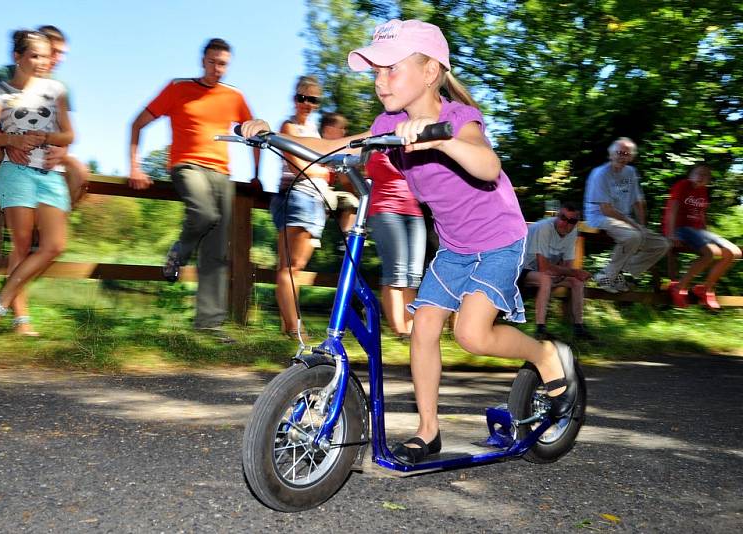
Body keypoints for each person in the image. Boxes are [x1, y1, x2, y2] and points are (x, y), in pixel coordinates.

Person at [240, 19, 579, 465]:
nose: (380, 82)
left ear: (430, 71)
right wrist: (272, 135)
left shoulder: (458, 119)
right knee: (422, 330)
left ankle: (545, 354)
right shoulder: (389, 124)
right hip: (455, 247)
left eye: (391, 70)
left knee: (472, 334)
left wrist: (440, 141)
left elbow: (487, 164)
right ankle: (427, 431)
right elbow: (337, 146)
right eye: (376, 73)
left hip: (498, 240)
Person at [127, 38, 259, 333]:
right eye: (212, 62)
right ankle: (179, 251)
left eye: (222, 63)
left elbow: (255, 133)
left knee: (217, 251)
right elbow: (137, 123)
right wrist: (134, 166)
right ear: (202, 61)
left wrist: (257, 172)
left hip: (222, 174)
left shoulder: (234, 96)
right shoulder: (177, 88)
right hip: (186, 166)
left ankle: (209, 324)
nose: (216, 68)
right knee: (203, 214)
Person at [0, 30, 74, 335]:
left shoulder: (57, 90)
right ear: (18, 57)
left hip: (50, 175)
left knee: (55, 245)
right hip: (16, 172)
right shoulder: (1, 89)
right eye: (35, 55)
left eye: (46, 56)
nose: (43, 62)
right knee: (21, 244)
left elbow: (69, 135)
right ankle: (21, 320)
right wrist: (10, 139)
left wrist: (47, 137)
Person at [0, 25, 87, 257]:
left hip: (43, 150)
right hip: (4, 145)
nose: (57, 59)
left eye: (62, 54)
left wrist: (62, 151)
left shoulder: (60, 88)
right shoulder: (3, 75)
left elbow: (66, 131)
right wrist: (11, 142)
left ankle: (43, 228)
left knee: (78, 171)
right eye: (54, 52)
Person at [270, 76, 329, 339]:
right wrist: (321, 171)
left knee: (294, 267)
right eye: (302, 97)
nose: (306, 103)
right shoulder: (289, 126)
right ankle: (295, 329)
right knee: (291, 267)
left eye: (312, 99)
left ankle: (288, 326)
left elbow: (322, 170)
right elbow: (299, 166)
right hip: (297, 198)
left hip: (312, 200)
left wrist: (320, 172)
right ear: (294, 99)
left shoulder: (314, 132)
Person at [583, 137, 670, 293]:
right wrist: (634, 226)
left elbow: (638, 201)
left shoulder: (631, 172)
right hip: (600, 217)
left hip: (622, 218)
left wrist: (642, 226)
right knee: (633, 236)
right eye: (619, 152)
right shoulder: (600, 174)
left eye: (626, 154)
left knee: (661, 244)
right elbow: (606, 209)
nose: (622, 156)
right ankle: (606, 276)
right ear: (611, 154)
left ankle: (616, 272)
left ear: (631, 157)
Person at [365, 151, 426, 340]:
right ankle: (399, 330)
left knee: (413, 276)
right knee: (396, 273)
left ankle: (411, 330)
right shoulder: (374, 149)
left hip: (414, 213)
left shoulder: (412, 150)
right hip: (386, 210)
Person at [663, 164, 741, 309]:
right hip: (680, 229)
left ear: (708, 180)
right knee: (711, 253)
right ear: (690, 175)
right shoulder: (682, 185)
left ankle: (705, 288)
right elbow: (671, 210)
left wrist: (707, 233)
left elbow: (701, 215)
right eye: (698, 173)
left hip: (698, 231)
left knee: (734, 252)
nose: (701, 177)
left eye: (705, 175)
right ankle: (679, 287)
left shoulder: (703, 191)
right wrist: (671, 234)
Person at [519, 202, 594, 340]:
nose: (564, 223)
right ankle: (540, 329)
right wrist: (570, 272)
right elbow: (543, 267)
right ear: (557, 215)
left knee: (577, 281)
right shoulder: (544, 228)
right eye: (562, 217)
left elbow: (567, 266)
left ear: (576, 222)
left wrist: (570, 273)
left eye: (571, 221)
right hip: (519, 270)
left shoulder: (572, 233)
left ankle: (579, 328)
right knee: (546, 279)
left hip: (542, 271)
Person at [319, 112, 359, 237]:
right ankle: (315, 232)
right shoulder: (318, 146)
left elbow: (345, 179)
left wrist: (357, 195)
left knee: (352, 201)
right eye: (341, 128)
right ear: (328, 130)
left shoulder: (338, 153)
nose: (344, 132)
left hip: (329, 190)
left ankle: (348, 237)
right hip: (317, 187)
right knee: (329, 200)